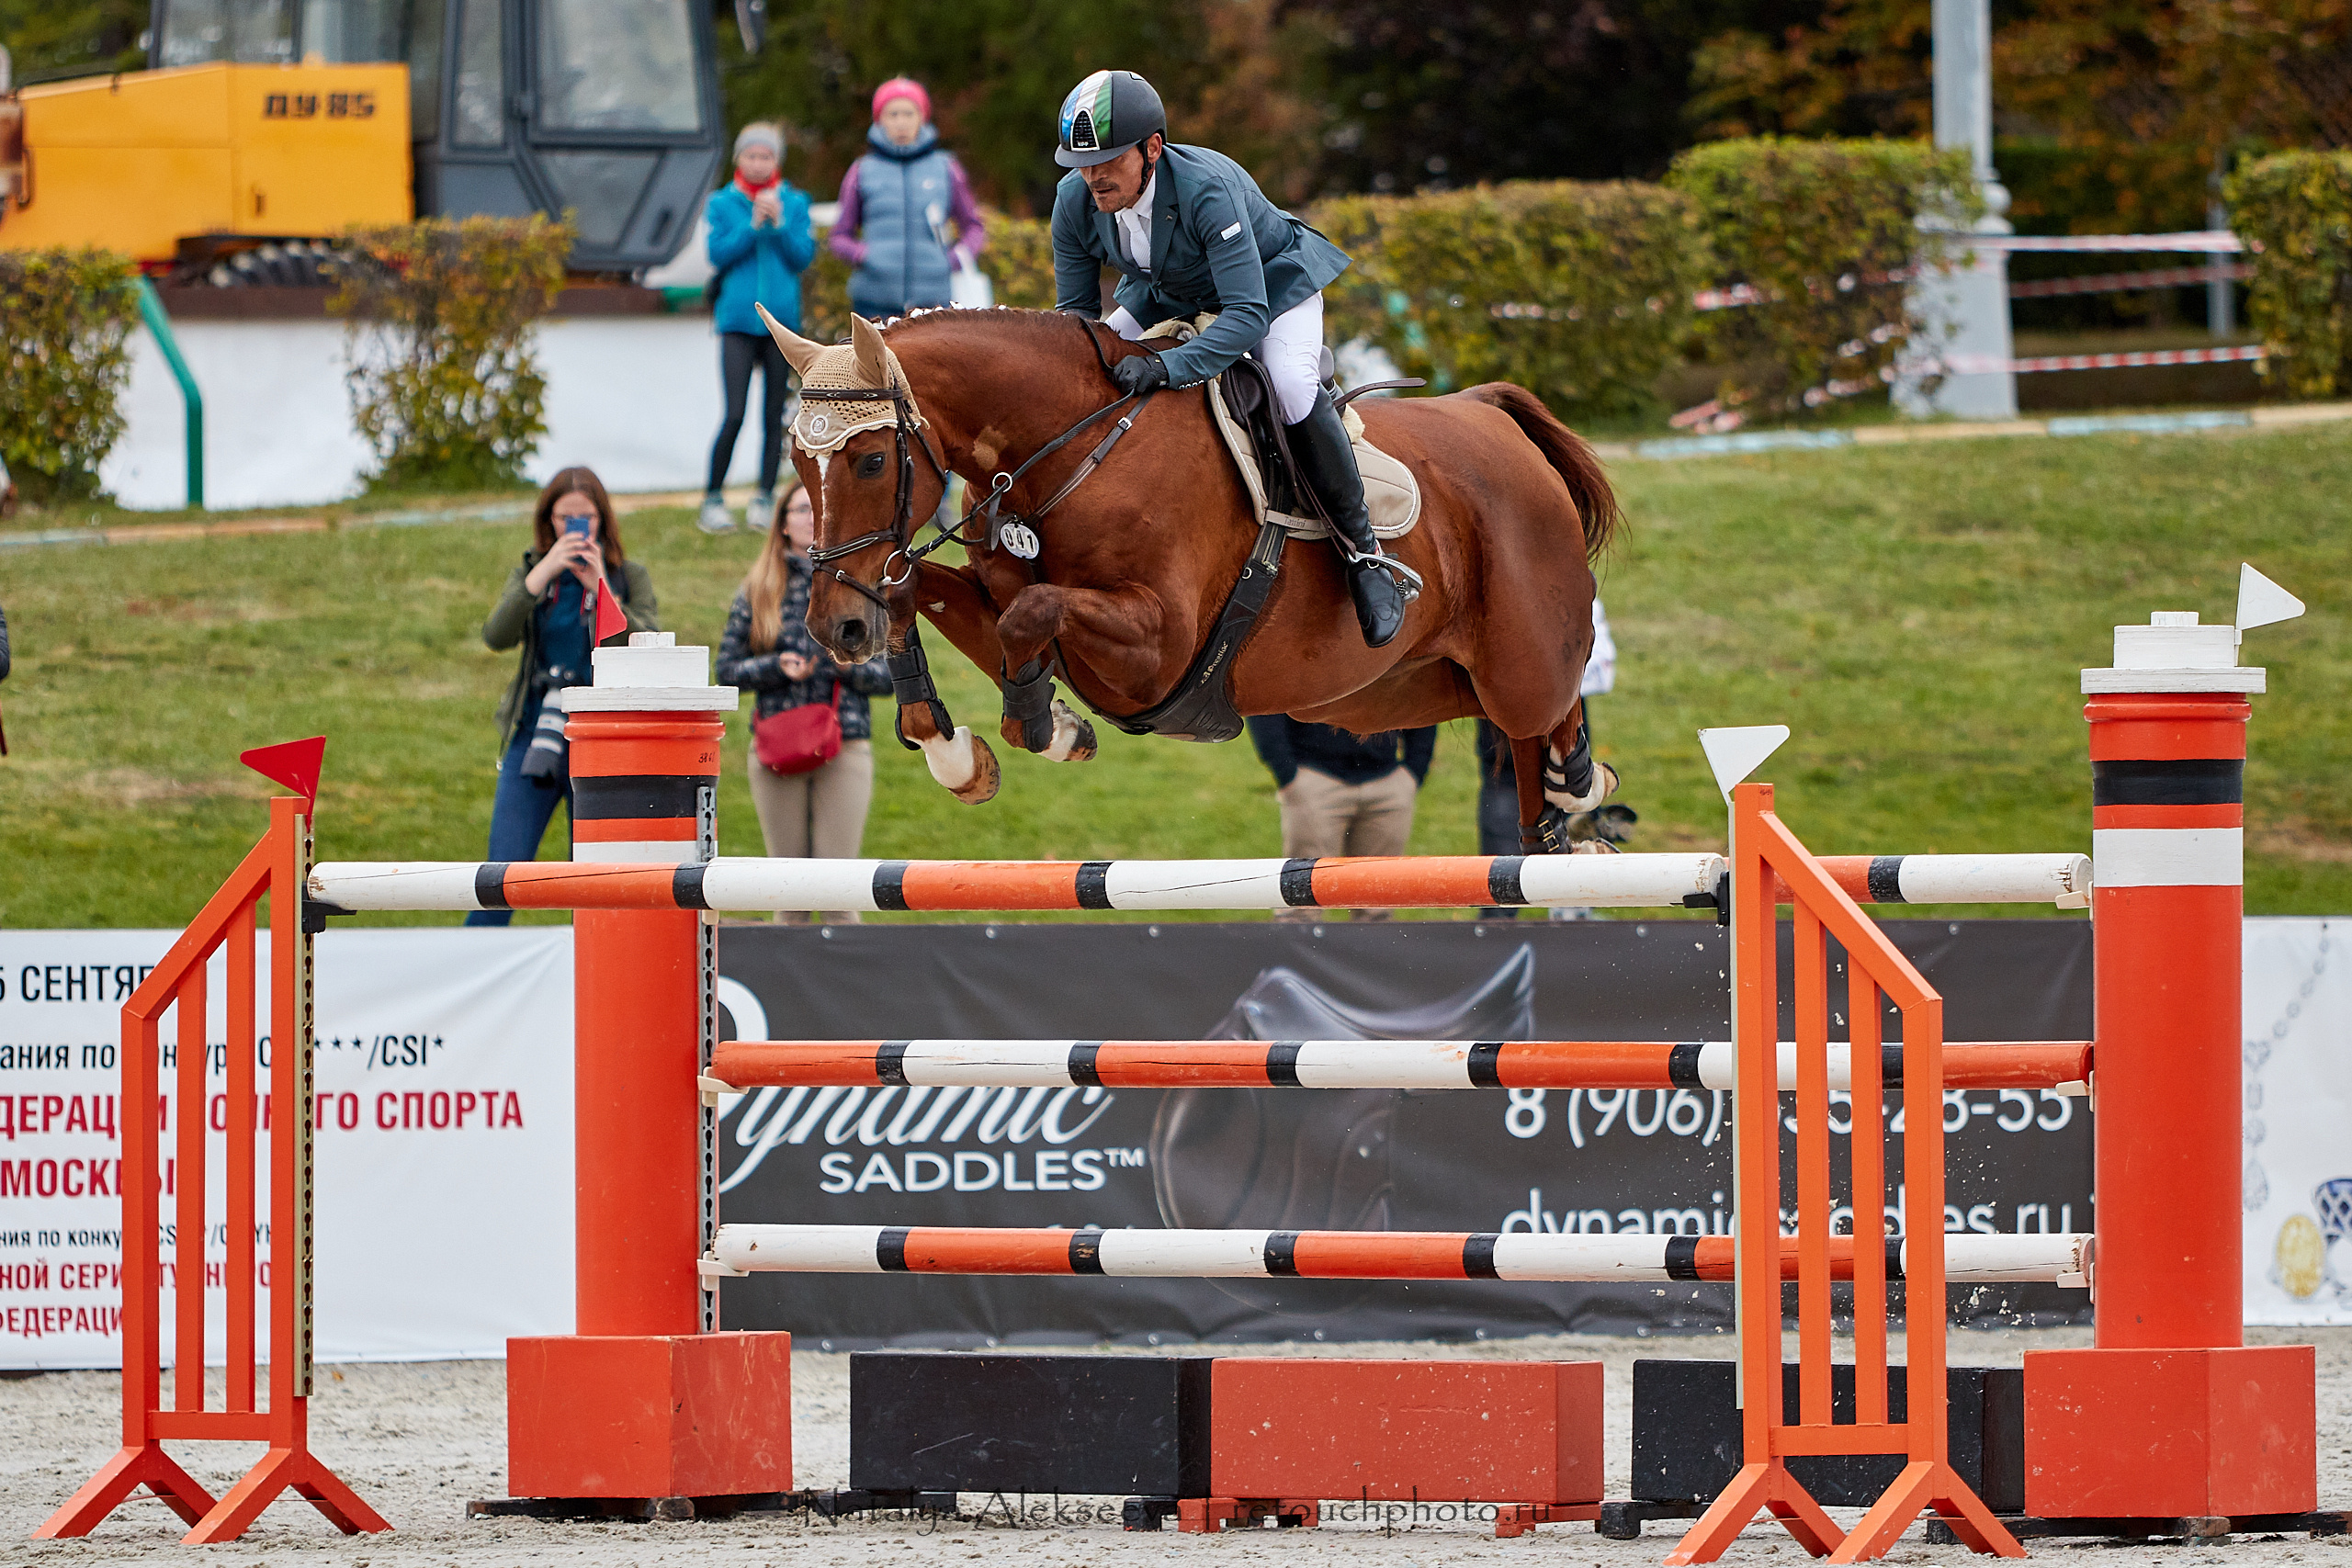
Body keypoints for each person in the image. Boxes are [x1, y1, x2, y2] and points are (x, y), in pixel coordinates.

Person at [1049, 68, 1414, 649]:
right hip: (1173, 290)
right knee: (1089, 363)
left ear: (1151, 149)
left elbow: (1244, 315)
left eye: (1108, 161)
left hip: (1272, 287)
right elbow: (1076, 322)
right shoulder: (1075, 200)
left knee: (1291, 385)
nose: (1093, 177)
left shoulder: (1206, 190)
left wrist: (1168, 367)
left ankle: (1365, 555)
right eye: (1083, 163)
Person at [469, 468, 658, 927]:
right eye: (564, 518)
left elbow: (647, 642)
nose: (575, 528)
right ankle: (474, 972)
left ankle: (596, 986)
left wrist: (601, 589)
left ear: (602, 520)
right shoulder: (536, 572)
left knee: (593, 886)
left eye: (585, 518)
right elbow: (496, 635)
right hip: (536, 735)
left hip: (599, 743)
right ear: (547, 520)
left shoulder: (628, 576)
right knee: (501, 877)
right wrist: (544, 570)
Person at [717, 479, 892, 924]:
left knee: (838, 891)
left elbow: (889, 677)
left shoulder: (857, 587)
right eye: (800, 509)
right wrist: (777, 667)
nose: (811, 517)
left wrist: (844, 665)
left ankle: (852, 990)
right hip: (777, 748)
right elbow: (727, 670)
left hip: (844, 743)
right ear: (781, 522)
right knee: (789, 893)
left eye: (819, 508)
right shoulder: (759, 589)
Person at [700, 122, 817, 536]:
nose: (758, 162)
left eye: (766, 155)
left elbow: (803, 255)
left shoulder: (796, 202)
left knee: (774, 416)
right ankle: (712, 497)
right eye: (751, 155)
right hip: (736, 323)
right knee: (734, 413)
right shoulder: (722, 203)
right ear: (739, 160)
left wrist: (781, 224)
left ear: (776, 161)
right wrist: (751, 225)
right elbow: (717, 253)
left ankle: (764, 497)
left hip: (780, 327)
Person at [1476, 596, 1626, 918]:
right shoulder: (1483, 596)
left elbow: (1603, 668)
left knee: (1576, 890)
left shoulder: (1572, 589)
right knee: (1500, 892)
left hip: (1564, 761)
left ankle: (1574, 923)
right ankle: (1492, 939)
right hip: (1504, 771)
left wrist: (1541, 676)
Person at [1247, 716, 1435, 922]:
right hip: (1315, 779)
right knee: (1301, 908)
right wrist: (1287, 773)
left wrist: (1413, 770)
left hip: (1387, 781)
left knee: (1378, 910)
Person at [829, 78, 987, 322]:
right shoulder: (862, 170)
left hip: (933, 305)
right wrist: (865, 256)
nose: (901, 122)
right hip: (873, 303)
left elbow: (974, 227)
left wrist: (952, 260)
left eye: (908, 113)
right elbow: (839, 236)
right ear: (879, 119)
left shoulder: (947, 168)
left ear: (922, 117)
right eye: (893, 114)